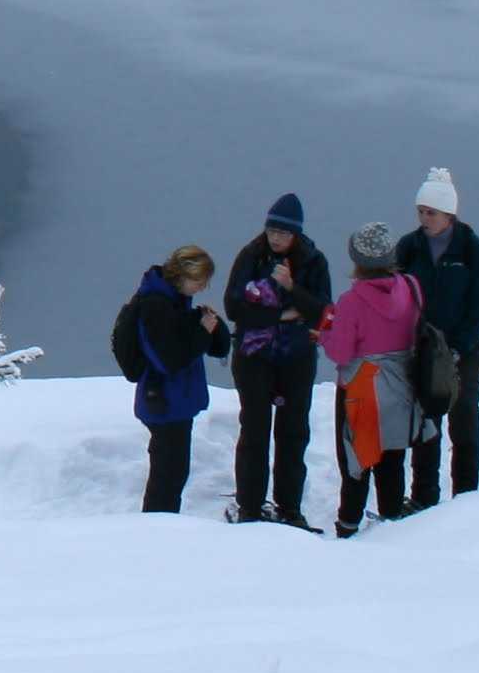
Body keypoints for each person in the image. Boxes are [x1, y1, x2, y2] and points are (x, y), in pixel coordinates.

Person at [222, 193, 333, 528]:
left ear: (295, 234)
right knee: (254, 430)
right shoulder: (251, 255)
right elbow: (233, 307)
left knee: (293, 432)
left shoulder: (314, 261)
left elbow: (323, 312)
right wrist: (283, 312)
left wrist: (291, 287)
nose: (276, 238)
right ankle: (250, 507)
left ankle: (289, 508)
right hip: (254, 356)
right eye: (272, 230)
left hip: (296, 357)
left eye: (283, 233)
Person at [396, 166, 479, 508]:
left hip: (464, 352)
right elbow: (397, 298)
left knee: (465, 416)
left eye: (431, 212)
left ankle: (466, 499)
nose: (425, 218)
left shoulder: (472, 250)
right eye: (421, 211)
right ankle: (424, 500)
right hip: (422, 350)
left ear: (448, 213)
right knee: (426, 423)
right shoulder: (409, 248)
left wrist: (458, 346)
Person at [315, 223, 420, 536]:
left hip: (361, 386)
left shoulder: (351, 302)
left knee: (357, 459)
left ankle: (348, 524)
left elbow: (341, 353)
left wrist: (324, 332)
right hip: (401, 382)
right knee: (392, 455)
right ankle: (391, 522)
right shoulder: (411, 287)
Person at [127, 244, 227, 514]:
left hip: (172, 402)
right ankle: (158, 528)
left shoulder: (172, 300)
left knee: (172, 473)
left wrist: (207, 327)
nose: (202, 288)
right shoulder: (156, 306)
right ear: (183, 275)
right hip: (164, 402)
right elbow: (168, 360)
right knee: (168, 476)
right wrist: (203, 333)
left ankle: (161, 525)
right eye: (199, 281)